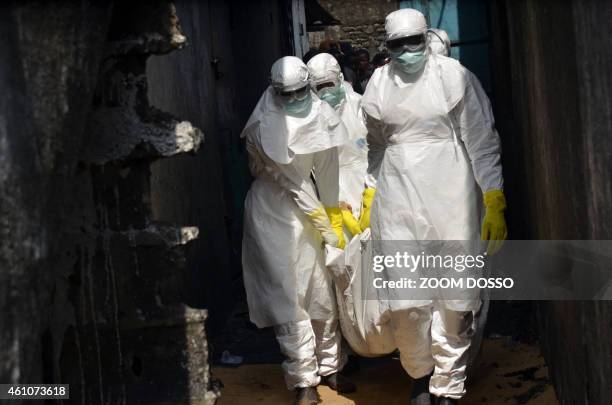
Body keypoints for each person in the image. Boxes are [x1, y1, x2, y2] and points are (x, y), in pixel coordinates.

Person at [360, 9, 507, 405]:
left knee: (456, 299)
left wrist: (493, 196)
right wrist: (369, 192)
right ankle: (419, 374)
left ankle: (448, 385)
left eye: (414, 42)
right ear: (387, 47)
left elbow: (481, 140)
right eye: (397, 45)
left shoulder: (454, 77)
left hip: (452, 191)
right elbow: (374, 145)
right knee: (406, 301)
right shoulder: (378, 83)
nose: (407, 51)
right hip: (397, 196)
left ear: (426, 39)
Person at [241, 56, 356, 405]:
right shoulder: (264, 125)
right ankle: (303, 380)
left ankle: (333, 366)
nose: (294, 99)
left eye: (298, 92)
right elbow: (293, 184)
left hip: (312, 208)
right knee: (288, 294)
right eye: (286, 94)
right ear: (276, 92)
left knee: (320, 286)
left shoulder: (321, 114)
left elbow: (328, 167)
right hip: (273, 211)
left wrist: (334, 212)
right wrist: (324, 221)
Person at [306, 52, 368, 244]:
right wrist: (336, 202)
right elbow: (314, 168)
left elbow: (378, 148)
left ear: (340, 79)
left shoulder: (359, 105)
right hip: (333, 191)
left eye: (329, 85)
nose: (325, 92)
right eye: (319, 87)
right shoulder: (309, 119)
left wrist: (373, 190)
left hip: (366, 184)